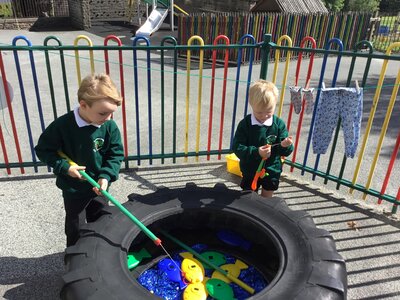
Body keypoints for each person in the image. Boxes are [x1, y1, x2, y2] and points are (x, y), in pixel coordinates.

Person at [35, 73, 124, 247]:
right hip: (74, 190)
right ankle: (75, 260)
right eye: (103, 113)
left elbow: (115, 154)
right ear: (83, 105)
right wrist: (65, 167)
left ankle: (98, 255)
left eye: (112, 113)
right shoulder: (62, 126)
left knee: (103, 223)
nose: (108, 118)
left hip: (99, 187)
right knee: (76, 228)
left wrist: (105, 176)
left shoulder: (108, 126)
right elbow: (44, 150)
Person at [232, 79, 293, 198]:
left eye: (269, 111)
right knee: (249, 197)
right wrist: (257, 152)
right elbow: (237, 147)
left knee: (267, 197)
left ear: (275, 105)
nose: (264, 116)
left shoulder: (278, 124)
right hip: (250, 170)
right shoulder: (245, 124)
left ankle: (264, 207)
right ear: (251, 104)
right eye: (259, 112)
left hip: (271, 169)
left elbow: (285, 151)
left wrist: (286, 145)